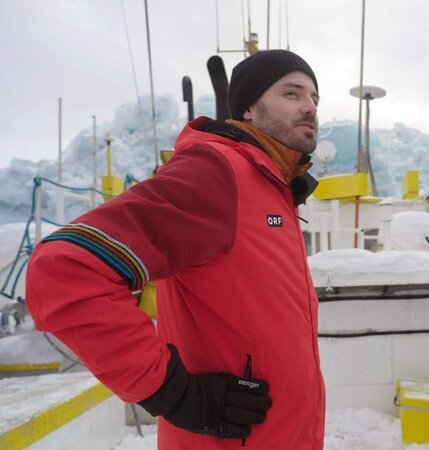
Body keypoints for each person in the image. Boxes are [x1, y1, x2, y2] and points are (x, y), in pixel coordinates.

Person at [25, 49, 325, 449]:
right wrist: (173, 392)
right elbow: (63, 269)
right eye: (292, 94)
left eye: (313, 98)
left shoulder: (275, 190)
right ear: (249, 109)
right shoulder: (219, 173)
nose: (309, 107)